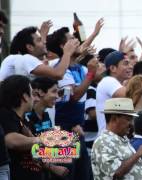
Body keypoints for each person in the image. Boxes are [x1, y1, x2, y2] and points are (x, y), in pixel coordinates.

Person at [47, 26, 98, 180]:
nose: (76, 41)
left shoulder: (80, 68)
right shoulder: (60, 69)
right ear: (63, 46)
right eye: (71, 39)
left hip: (77, 131)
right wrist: (91, 73)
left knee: (84, 176)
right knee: (66, 176)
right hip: (60, 135)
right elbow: (74, 96)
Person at [91, 98, 142, 179]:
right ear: (114, 118)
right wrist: (138, 154)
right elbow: (116, 173)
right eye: (128, 119)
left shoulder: (121, 138)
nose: (131, 124)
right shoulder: (103, 142)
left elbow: (130, 168)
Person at [0, 75, 41, 180]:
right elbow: (11, 140)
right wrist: (40, 140)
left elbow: (37, 153)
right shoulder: (5, 115)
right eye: (32, 94)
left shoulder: (26, 122)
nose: (35, 99)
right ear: (25, 96)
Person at [0, 26, 79, 81]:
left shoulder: (23, 59)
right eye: (39, 40)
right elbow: (58, 74)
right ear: (30, 47)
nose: (44, 42)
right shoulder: (26, 58)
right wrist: (67, 53)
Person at [96, 51, 132, 137]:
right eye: (126, 63)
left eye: (130, 63)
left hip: (113, 138)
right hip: (107, 140)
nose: (130, 67)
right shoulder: (108, 80)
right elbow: (131, 97)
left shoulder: (118, 84)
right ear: (113, 68)